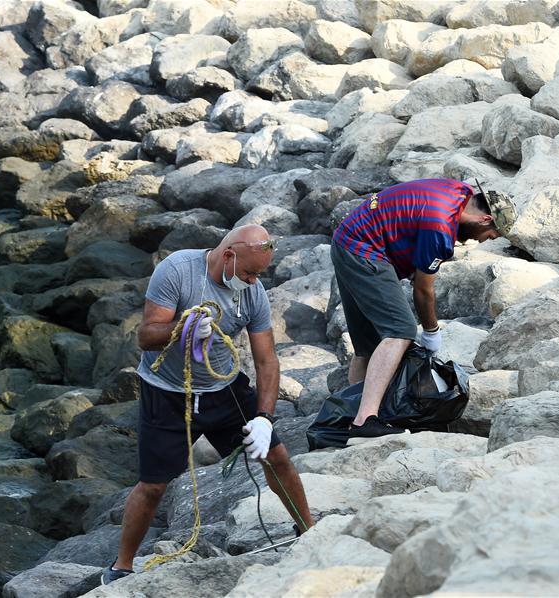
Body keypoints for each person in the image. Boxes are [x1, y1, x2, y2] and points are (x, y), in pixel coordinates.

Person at [102, 224, 314, 585]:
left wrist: (264, 417)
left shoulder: (253, 293)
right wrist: (182, 330)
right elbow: (145, 336)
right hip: (167, 392)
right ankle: (121, 566)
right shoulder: (178, 270)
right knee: (153, 486)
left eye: (259, 274)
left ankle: (309, 531)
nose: (253, 280)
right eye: (249, 272)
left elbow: (266, 361)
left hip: (223, 390)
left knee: (276, 457)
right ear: (229, 255)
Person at [330, 178, 516, 439]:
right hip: (365, 250)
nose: (483, 241)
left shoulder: (458, 192)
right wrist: (431, 331)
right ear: (485, 219)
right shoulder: (440, 227)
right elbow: (423, 289)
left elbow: (417, 262)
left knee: (368, 345)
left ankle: (352, 413)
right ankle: (365, 420)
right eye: (490, 235)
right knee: (401, 330)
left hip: (347, 239)